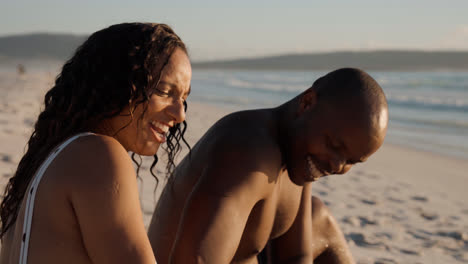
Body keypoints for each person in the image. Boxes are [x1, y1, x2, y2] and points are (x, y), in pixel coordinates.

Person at [148, 68, 388, 263]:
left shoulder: (299, 157)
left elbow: (295, 257)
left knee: (319, 218)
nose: (337, 165)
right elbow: (195, 259)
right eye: (334, 145)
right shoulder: (249, 151)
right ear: (307, 103)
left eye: (351, 161)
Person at [0, 22, 192, 264]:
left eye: (183, 98)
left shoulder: (44, 163)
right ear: (118, 84)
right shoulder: (98, 155)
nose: (180, 114)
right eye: (165, 91)